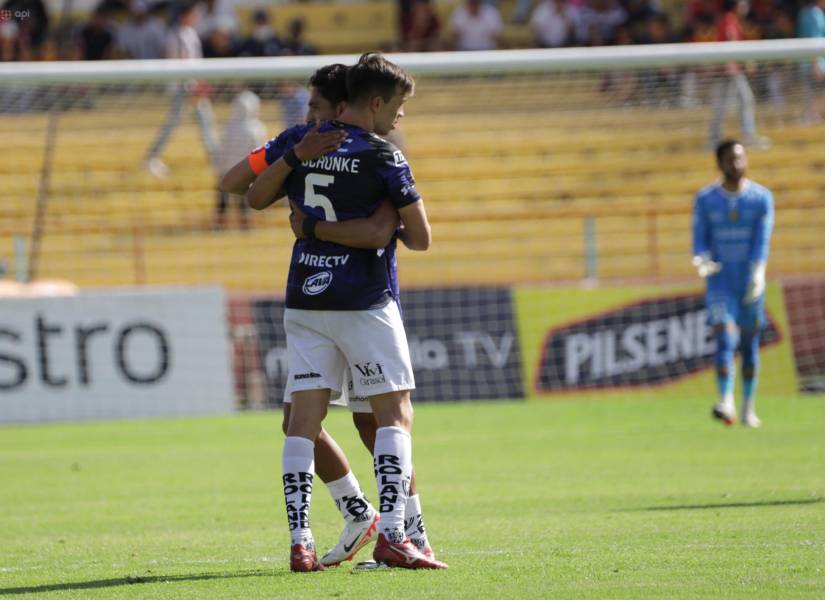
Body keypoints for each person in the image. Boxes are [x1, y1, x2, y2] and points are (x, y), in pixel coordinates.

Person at [220, 61, 441, 569]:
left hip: (308, 298)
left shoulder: (303, 144)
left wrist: (310, 221)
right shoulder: (360, 150)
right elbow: (410, 236)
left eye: (317, 106)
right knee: (385, 418)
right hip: (364, 302)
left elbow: (250, 195)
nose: (312, 116)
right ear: (376, 103)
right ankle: (387, 527)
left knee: (327, 421)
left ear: (344, 104)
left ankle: (381, 529)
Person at [692, 140, 774, 428]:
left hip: (750, 282)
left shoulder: (761, 198)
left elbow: (762, 239)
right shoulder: (705, 199)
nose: (736, 164)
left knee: (750, 346)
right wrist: (701, 258)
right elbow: (699, 235)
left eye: (740, 158)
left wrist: (758, 272)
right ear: (719, 163)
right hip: (720, 283)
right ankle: (726, 401)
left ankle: (748, 409)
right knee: (725, 339)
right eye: (730, 159)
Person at [143, 0, 218, 179]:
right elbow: (181, 65)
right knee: (174, 124)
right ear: (185, 14)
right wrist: (194, 87)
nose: (197, 16)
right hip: (183, 89)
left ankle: (217, 158)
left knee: (205, 122)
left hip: (193, 88)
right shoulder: (176, 35)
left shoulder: (189, 33)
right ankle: (151, 158)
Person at [708, 0, 769, 149]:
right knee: (731, 104)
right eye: (743, 3)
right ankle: (717, 139)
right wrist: (744, 61)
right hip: (728, 72)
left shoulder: (730, 19)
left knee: (742, 100)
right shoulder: (729, 18)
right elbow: (730, 39)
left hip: (731, 71)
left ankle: (742, 135)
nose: (746, 6)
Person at [214, 89, 266, 230]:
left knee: (223, 200)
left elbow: (222, 149)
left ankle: (219, 225)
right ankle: (245, 225)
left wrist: (219, 167)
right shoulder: (256, 128)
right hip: (245, 170)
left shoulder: (230, 126)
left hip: (227, 169)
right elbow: (259, 151)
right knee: (243, 199)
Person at [797, 0, 825, 124]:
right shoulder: (815, 13)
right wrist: (816, 63)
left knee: (810, 93)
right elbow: (815, 38)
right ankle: (811, 116)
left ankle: (810, 116)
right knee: (816, 92)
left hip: (805, 61)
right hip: (815, 62)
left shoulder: (804, 12)